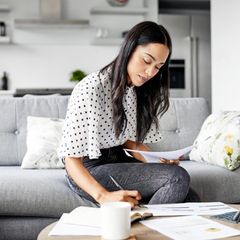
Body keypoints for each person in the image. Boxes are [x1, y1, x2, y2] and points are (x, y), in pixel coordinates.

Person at [58, 21, 193, 208]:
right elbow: (71, 159)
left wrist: (158, 161)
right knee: (177, 178)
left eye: (158, 66)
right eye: (147, 61)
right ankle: (145, 229)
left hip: (119, 160)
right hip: (88, 171)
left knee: (189, 196)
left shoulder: (135, 89)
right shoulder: (91, 88)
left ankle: (145, 229)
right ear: (129, 49)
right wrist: (103, 196)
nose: (150, 72)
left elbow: (130, 142)